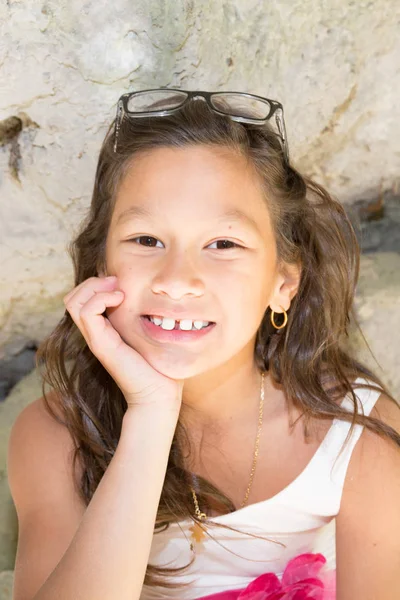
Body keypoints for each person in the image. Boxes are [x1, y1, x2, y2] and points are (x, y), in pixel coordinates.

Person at [7, 89, 400, 600]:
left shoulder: (356, 438)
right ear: (101, 268)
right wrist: (151, 415)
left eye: (223, 244)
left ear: (283, 283)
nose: (177, 279)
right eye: (146, 240)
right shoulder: (54, 436)